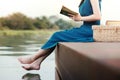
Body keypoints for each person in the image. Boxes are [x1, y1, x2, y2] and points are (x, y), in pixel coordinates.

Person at [18, 0, 102, 70]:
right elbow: (87, 16)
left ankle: (33, 58)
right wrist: (76, 17)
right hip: (84, 28)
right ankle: (36, 63)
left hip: (91, 30)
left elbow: (98, 16)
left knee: (56, 35)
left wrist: (80, 18)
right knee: (58, 37)